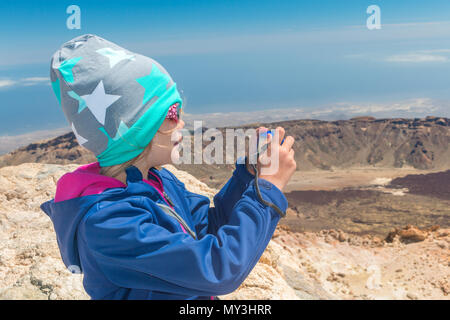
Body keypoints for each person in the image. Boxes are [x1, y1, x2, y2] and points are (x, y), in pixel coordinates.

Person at [40, 34, 296, 300]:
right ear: (135, 130)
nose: (182, 123)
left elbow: (209, 228)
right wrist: (267, 191)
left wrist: (249, 176)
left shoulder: (156, 183)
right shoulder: (108, 223)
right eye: (173, 114)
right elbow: (217, 271)